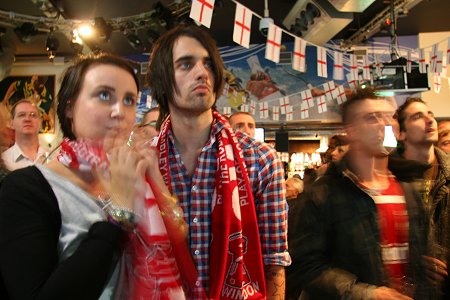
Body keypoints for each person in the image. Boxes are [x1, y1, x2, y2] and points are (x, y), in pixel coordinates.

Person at [0, 54, 174, 299]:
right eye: (104, 95)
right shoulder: (26, 189)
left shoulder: (132, 174)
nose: (120, 112)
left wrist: (155, 178)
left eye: (129, 100)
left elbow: (177, 246)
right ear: (70, 106)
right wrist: (118, 214)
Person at [146, 24, 290, 299]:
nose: (202, 73)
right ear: (163, 79)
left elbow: (273, 264)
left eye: (208, 64)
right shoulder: (144, 161)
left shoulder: (259, 160)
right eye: (186, 64)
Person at [289, 88, 429, 299]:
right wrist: (365, 294)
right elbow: (304, 266)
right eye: (372, 118)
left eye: (388, 116)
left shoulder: (407, 187)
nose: (384, 124)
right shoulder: (322, 194)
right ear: (352, 130)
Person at [395, 97, 449, 298]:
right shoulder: (388, 176)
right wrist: (413, 263)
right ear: (401, 133)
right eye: (417, 117)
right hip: (403, 290)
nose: (429, 120)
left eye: (430, 115)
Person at [1, 99, 46, 170]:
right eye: (21, 115)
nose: (27, 119)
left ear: (40, 123)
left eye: (33, 115)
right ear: (11, 123)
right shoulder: (4, 161)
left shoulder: (55, 158)